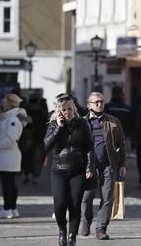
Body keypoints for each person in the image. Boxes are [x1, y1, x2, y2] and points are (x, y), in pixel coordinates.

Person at [46, 94, 94, 246]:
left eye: (70, 108)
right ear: (59, 111)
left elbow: (90, 146)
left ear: (74, 108)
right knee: (59, 205)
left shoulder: (82, 123)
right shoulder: (54, 124)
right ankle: (62, 230)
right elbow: (46, 145)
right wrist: (59, 128)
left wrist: (90, 166)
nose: (67, 112)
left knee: (75, 204)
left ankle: (72, 236)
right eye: (64, 109)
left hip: (78, 170)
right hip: (58, 170)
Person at [80, 92, 127, 241]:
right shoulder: (82, 123)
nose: (99, 104)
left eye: (101, 102)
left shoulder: (113, 121)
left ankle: (101, 228)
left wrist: (122, 164)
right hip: (88, 167)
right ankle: (86, 221)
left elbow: (121, 143)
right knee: (87, 197)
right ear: (89, 105)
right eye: (96, 102)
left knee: (107, 198)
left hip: (108, 164)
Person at [0, 94, 24, 219]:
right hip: (6, 156)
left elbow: (10, 139)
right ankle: (12, 208)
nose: (2, 104)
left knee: (8, 183)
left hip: (9, 155)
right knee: (9, 182)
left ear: (11, 104)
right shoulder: (7, 118)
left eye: (5, 102)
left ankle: (7, 208)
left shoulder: (12, 120)